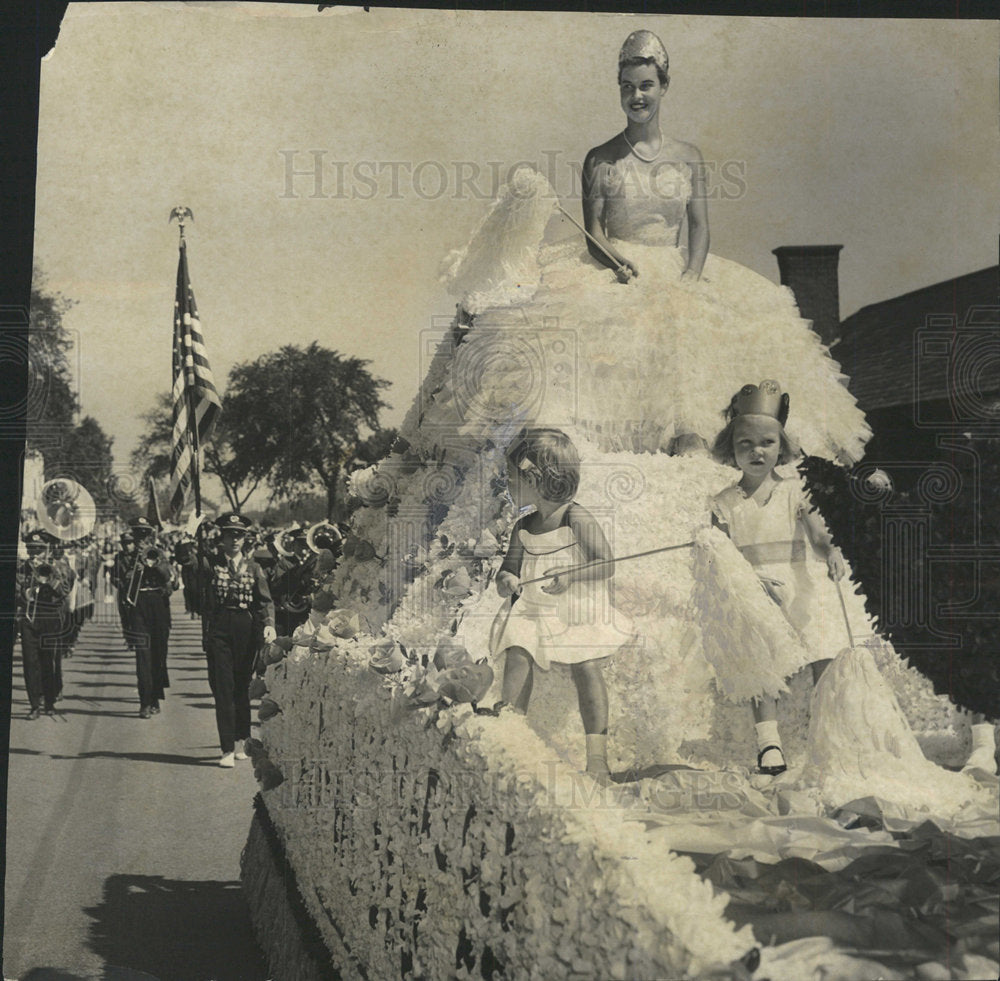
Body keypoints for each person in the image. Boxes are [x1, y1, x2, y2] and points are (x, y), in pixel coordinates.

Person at [444, 29, 869, 465]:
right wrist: (616, 263)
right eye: (627, 87)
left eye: (646, 85)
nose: (637, 96)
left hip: (679, 266)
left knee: (688, 325)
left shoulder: (688, 156)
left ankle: (695, 437)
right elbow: (593, 233)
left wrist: (691, 276)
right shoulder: (600, 158)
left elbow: (700, 228)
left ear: (664, 86)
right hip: (614, 265)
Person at [707, 381, 846, 775]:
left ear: (780, 447)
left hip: (799, 582)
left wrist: (832, 551)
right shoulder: (723, 503)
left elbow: (819, 536)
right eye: (745, 444)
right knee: (760, 652)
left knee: (822, 642)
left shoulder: (796, 492)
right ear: (730, 449)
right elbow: (721, 556)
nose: (756, 451)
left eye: (766, 442)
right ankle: (769, 742)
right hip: (754, 586)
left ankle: (828, 732)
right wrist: (747, 584)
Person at [486, 428, 635, 779]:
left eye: (510, 477)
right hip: (534, 608)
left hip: (574, 607)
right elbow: (508, 569)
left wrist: (571, 575)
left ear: (533, 478)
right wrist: (506, 580)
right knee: (517, 652)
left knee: (585, 665)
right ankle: (512, 737)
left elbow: (606, 563)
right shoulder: (523, 526)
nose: (506, 485)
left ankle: (597, 757)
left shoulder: (574, 517)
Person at [200, 512, 276, 768]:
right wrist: (192, 539)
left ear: (245, 539)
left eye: (239, 535)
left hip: (246, 627)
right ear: (221, 537)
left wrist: (268, 625)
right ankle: (226, 748)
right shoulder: (210, 564)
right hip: (219, 627)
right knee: (223, 688)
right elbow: (192, 575)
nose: (234, 540)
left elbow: (264, 601)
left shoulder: (254, 567)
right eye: (230, 534)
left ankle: (243, 738)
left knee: (242, 686)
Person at [15, 530, 73, 718]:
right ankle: (34, 705)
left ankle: (49, 701)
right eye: (32, 550)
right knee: (30, 663)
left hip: (50, 619)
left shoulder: (56, 567)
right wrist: (25, 593)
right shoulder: (21, 569)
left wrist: (49, 579)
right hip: (30, 618)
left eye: (38, 550)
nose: (35, 554)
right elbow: (15, 592)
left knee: (48, 661)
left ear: (46, 550)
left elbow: (64, 591)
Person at [123, 517, 174, 719]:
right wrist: (136, 567)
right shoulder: (126, 556)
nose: (141, 540)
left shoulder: (159, 553)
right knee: (143, 656)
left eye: (145, 535)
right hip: (138, 606)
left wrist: (154, 564)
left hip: (159, 605)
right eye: (138, 535)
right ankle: (144, 702)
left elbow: (171, 580)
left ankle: (155, 698)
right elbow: (121, 580)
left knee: (158, 655)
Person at [111, 530, 137, 649]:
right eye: (125, 543)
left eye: (130, 543)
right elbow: (113, 576)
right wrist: (119, 583)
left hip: (136, 591)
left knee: (137, 616)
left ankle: (137, 638)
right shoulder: (118, 558)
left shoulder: (139, 557)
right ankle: (129, 639)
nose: (127, 546)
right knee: (125, 616)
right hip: (123, 591)